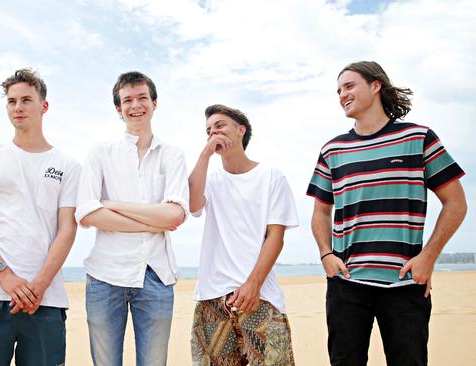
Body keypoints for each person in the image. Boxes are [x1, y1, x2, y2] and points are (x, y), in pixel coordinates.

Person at [307, 61, 467, 365]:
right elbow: (320, 211)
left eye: (349, 86)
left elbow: (456, 203)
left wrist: (429, 257)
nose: (342, 94)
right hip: (346, 284)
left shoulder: (418, 138)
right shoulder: (332, 150)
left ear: (375, 85)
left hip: (405, 283)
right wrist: (326, 254)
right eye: (338, 90)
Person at [0, 68, 80, 366]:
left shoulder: (67, 164)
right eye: (12, 101)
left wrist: (38, 285)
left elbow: (67, 228)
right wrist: (5, 276)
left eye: (26, 99)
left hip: (47, 297)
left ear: (44, 106)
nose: (18, 107)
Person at [75, 71, 189, 366]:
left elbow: (175, 215)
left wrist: (112, 205)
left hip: (156, 274)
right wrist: (153, 222)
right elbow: (87, 213)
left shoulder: (172, 154)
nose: (135, 105)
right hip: (105, 275)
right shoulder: (100, 153)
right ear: (118, 108)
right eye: (127, 100)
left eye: (142, 98)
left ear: (154, 103)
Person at [188, 104, 299, 365]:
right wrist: (205, 154)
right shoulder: (211, 178)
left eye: (219, 125)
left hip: (259, 295)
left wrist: (253, 283)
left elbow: (276, 236)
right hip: (212, 297)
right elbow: (193, 204)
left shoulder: (271, 176)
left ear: (241, 130)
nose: (213, 132)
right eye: (208, 130)